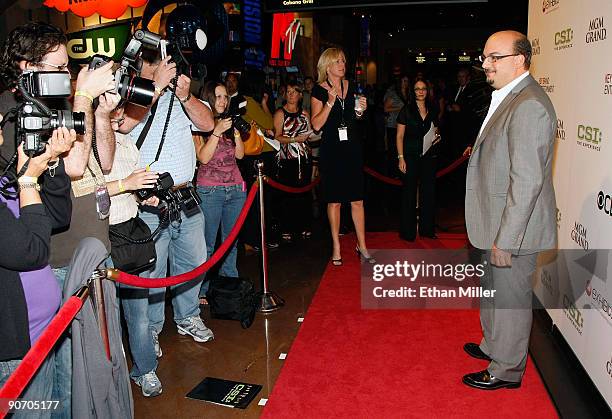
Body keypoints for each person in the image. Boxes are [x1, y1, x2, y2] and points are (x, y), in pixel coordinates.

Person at [462, 30, 557, 390]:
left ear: (519, 60)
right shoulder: (506, 96)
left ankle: (506, 370)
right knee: (493, 291)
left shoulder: (528, 104)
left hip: (513, 229)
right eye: (484, 57)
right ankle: (493, 347)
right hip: (494, 221)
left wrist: (506, 239)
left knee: (511, 300)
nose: (485, 64)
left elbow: (527, 180)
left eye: (494, 57)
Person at [120, 49, 215, 396]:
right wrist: (155, 89)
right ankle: (153, 330)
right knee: (153, 274)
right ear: (144, 66)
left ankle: (188, 316)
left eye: (169, 65)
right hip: (148, 201)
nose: (166, 68)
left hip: (186, 195)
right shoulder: (133, 95)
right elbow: (123, 126)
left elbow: (206, 123)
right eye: (160, 64)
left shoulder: (180, 95)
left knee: (194, 263)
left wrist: (185, 95)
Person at [0, 117, 76, 418]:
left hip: (40, 335)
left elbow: (56, 217)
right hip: (11, 351)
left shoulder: (3, 177)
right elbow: (31, 252)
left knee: (45, 409)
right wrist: (29, 179)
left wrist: (52, 164)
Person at [310, 48, 373, 266]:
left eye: (343, 60)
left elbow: (356, 117)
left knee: (357, 199)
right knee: (334, 201)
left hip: (352, 148)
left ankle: (362, 245)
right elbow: (316, 125)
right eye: (337, 61)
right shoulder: (319, 91)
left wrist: (359, 111)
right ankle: (336, 247)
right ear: (327, 66)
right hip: (332, 151)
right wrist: (329, 102)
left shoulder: (351, 86)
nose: (342, 64)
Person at [194, 81, 245, 300]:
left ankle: (229, 285)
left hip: (235, 189)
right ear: (208, 98)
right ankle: (200, 291)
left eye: (225, 97)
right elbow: (203, 157)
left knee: (230, 242)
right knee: (206, 245)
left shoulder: (228, 122)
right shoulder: (198, 124)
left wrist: (234, 133)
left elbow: (241, 155)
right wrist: (216, 131)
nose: (223, 101)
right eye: (218, 96)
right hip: (210, 191)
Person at [396, 78, 440, 241]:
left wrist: (437, 136)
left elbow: (436, 130)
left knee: (428, 193)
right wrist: (401, 158)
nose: (420, 91)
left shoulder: (433, 109)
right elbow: (399, 136)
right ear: (412, 92)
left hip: (429, 156)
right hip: (410, 156)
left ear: (427, 91)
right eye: (417, 89)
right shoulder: (406, 110)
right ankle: (408, 233)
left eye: (423, 88)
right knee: (409, 193)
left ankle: (427, 230)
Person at [273, 81, 312, 242]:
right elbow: (277, 136)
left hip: (303, 158)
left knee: (304, 192)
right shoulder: (280, 113)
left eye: (294, 91)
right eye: (288, 91)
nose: (290, 94)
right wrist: (295, 139)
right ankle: (286, 227)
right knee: (287, 194)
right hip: (287, 158)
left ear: (300, 95)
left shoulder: (305, 113)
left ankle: (303, 225)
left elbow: (311, 133)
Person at [383, 74, 409, 174]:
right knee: (393, 149)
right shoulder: (394, 94)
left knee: (403, 148)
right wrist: (400, 109)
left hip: (405, 125)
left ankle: (402, 169)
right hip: (393, 124)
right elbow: (386, 108)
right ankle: (393, 171)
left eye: (407, 81)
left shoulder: (408, 93)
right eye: (404, 81)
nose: (406, 83)